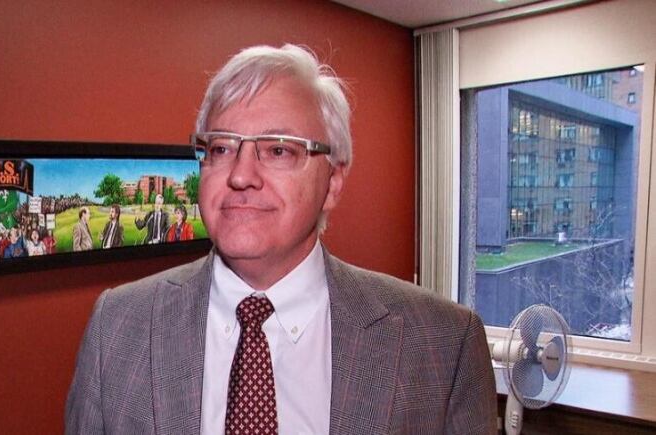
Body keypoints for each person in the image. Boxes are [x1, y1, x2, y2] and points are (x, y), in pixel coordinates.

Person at [66, 44, 497, 434]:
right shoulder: (117, 326)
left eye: (278, 150)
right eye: (220, 148)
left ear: (333, 181)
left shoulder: (444, 343)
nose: (239, 175)